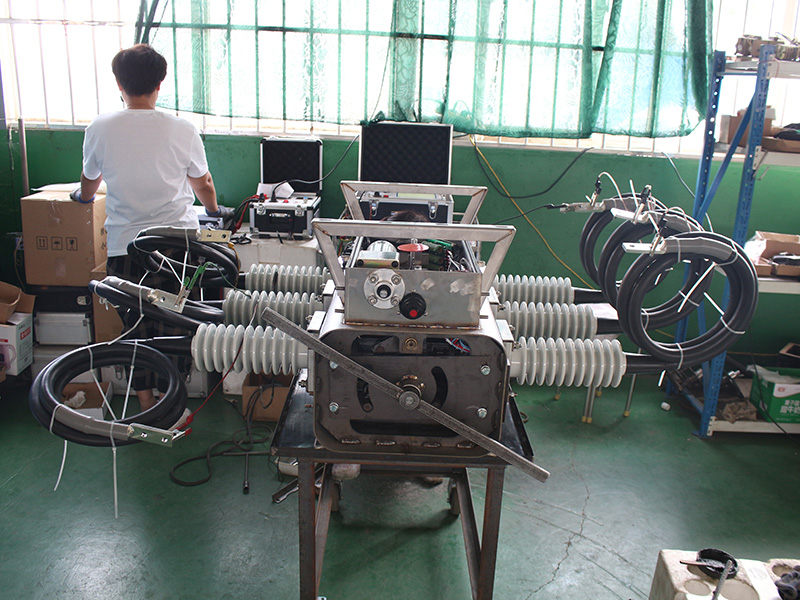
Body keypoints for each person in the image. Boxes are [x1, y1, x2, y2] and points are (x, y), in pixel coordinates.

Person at [76, 43, 233, 411]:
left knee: (136, 326)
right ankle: (170, 402)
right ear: (160, 82)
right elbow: (203, 183)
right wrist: (214, 210)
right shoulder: (182, 129)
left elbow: (89, 184)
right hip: (178, 249)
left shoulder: (99, 127)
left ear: (119, 83)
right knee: (177, 324)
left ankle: (146, 402)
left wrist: (82, 198)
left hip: (125, 249)